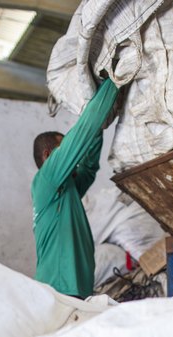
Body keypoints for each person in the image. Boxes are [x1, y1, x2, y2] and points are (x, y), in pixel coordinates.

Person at [31, 78, 119, 299]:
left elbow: (88, 167)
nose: (72, 159)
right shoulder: (47, 179)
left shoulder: (65, 190)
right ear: (49, 157)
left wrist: (98, 130)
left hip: (74, 290)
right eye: (64, 151)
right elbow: (81, 135)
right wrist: (112, 83)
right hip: (59, 290)